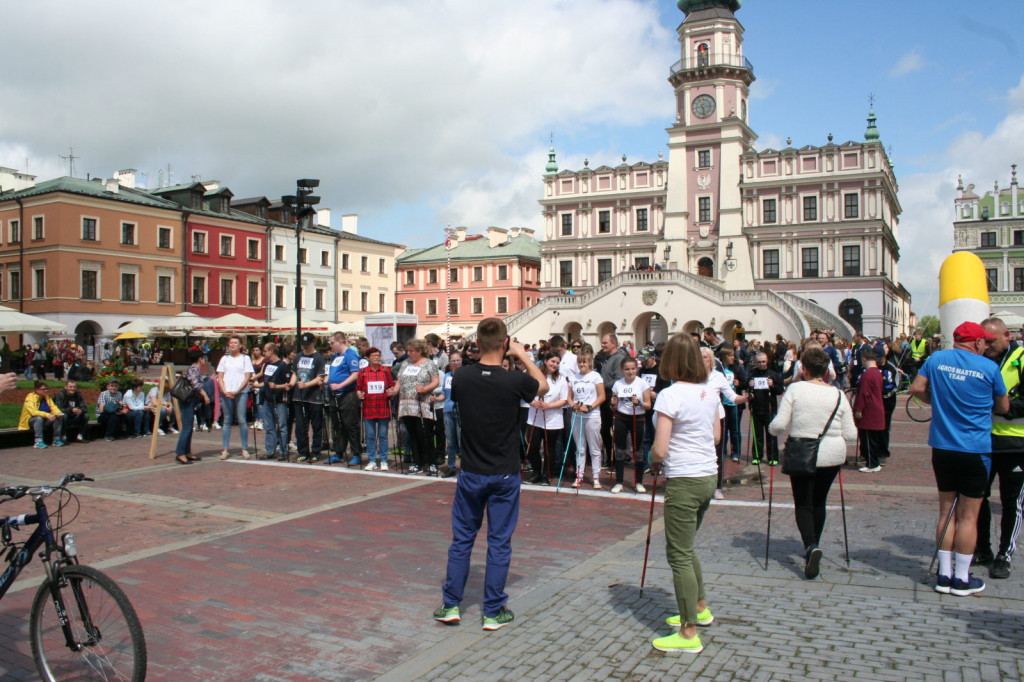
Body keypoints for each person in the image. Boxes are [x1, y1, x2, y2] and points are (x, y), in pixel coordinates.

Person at [434, 317, 546, 630]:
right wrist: (522, 355)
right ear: (504, 343)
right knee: (499, 541)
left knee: (462, 539)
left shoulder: (462, 377)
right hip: (504, 471)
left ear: (478, 344)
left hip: (471, 469)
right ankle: (493, 610)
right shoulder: (513, 381)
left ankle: (451, 604)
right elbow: (544, 385)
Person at [911, 321, 1009, 597]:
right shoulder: (989, 367)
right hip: (975, 448)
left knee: (946, 511)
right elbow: (1003, 406)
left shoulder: (937, 358)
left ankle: (944, 574)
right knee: (968, 516)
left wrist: (939, 401)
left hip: (942, 446)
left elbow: (917, 389)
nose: (987, 346)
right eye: (985, 342)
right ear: (976, 343)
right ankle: (962, 578)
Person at [649, 333, 720, 654]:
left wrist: (651, 461)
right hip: (708, 473)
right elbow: (717, 435)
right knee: (687, 546)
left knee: (677, 554)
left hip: (685, 477)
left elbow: (661, 448)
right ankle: (700, 606)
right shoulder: (709, 391)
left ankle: (689, 629)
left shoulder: (670, 395)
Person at [769, 347, 857, 578]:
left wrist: (772, 428)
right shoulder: (838, 394)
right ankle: (814, 544)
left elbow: (778, 425)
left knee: (803, 502)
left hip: (802, 451)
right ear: (827, 370)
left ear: (803, 368)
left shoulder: (796, 389)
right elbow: (851, 435)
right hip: (832, 454)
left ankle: (810, 546)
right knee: (819, 501)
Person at [976, 317, 1024, 579]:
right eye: (983, 341)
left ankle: (1004, 555)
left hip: (1017, 443)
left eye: (992, 341)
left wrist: (1003, 408)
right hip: (984, 441)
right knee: (977, 497)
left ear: (1007, 335)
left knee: (1011, 503)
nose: (988, 345)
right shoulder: (981, 360)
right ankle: (982, 548)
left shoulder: (1021, 359)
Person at [524, 352, 568, 486]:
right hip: (535, 418)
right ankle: (536, 473)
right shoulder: (534, 375)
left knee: (550, 449)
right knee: (532, 447)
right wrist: (532, 402)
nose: (555, 365)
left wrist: (549, 405)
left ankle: (546, 475)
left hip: (553, 420)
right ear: (545, 361)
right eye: (552, 361)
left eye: (557, 363)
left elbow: (564, 400)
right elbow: (524, 392)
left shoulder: (561, 379)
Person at [610, 356, 652, 494]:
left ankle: (639, 481)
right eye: (627, 369)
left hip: (637, 417)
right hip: (622, 417)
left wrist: (639, 403)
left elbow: (648, 405)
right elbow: (613, 403)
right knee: (620, 449)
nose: (630, 372)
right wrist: (613, 403)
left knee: (638, 450)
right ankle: (619, 481)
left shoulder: (642, 384)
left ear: (637, 369)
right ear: (623, 370)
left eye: (633, 369)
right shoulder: (618, 384)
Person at [398, 339, 440, 474]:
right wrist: (393, 390)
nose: (408, 353)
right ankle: (417, 461)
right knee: (412, 435)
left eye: (411, 351)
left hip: (422, 403)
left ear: (419, 351)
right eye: (408, 351)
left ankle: (432, 462)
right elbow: (399, 380)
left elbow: (436, 381)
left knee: (425, 434)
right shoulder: (405, 363)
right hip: (406, 404)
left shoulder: (428, 364)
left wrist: (425, 388)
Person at [571, 350, 606, 489]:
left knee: (594, 448)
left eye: (584, 361)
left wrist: (590, 407)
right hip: (577, 415)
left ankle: (596, 477)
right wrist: (573, 405)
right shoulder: (573, 377)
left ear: (590, 362)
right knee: (580, 448)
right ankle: (579, 475)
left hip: (592, 415)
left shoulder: (595, 376)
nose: (581, 364)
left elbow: (602, 397)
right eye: (579, 361)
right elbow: (569, 397)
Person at [356, 346, 395, 471]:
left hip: (383, 407)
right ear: (368, 358)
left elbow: (391, 385)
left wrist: (391, 391)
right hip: (368, 407)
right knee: (370, 436)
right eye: (373, 356)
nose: (376, 358)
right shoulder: (363, 372)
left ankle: (383, 460)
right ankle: (372, 460)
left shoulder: (385, 371)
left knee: (383, 435)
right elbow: (358, 388)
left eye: (378, 355)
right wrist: (359, 394)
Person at [327, 332, 362, 466]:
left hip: (347, 394)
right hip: (334, 395)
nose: (331, 346)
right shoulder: (335, 356)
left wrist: (340, 385)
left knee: (350, 425)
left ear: (340, 341)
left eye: (332, 343)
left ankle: (356, 453)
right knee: (338, 425)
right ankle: (339, 452)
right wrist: (324, 380)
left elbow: (355, 374)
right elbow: (332, 373)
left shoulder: (350, 354)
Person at [291, 333, 326, 464]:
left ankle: (315, 451)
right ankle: (303, 451)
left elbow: (320, 377)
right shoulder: (298, 357)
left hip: (314, 397)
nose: (305, 347)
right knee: (300, 426)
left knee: (316, 425)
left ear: (313, 343)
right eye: (303, 345)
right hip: (299, 397)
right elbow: (295, 373)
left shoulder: (318, 358)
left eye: (307, 344)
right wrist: (291, 383)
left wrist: (306, 384)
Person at [216, 335, 254, 460]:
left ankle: (244, 448)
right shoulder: (224, 359)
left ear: (240, 345)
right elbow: (220, 376)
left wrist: (237, 390)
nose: (232, 345)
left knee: (242, 420)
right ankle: (225, 449)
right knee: (227, 420)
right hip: (226, 392)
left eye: (235, 343)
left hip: (241, 392)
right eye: (230, 343)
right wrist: (224, 390)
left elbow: (247, 376)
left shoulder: (245, 358)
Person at [175, 350, 210, 465]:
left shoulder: (194, 369)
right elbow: (196, 385)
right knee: (186, 427)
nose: (204, 360)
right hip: (188, 400)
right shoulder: (193, 369)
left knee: (189, 427)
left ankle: (187, 451)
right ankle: (180, 453)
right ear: (199, 358)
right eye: (203, 357)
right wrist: (205, 395)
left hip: (191, 400)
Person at [259, 343, 292, 462]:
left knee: (282, 426)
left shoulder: (283, 365)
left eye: (265, 351)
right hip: (268, 399)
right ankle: (270, 450)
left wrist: (277, 386)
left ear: (272, 351)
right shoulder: (267, 364)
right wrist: (256, 385)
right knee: (269, 427)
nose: (264, 353)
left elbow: (288, 384)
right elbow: (265, 381)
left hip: (279, 400)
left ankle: (283, 451)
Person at [747, 352, 782, 465]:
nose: (761, 364)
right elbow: (747, 389)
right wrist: (749, 386)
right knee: (757, 435)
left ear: (767, 361)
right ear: (756, 363)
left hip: (769, 409)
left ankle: (772, 457)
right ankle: (757, 456)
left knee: (771, 434)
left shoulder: (773, 374)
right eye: (759, 362)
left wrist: (772, 385)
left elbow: (780, 390)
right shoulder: (752, 374)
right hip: (756, 408)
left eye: (763, 362)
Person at [853, 348, 885, 473]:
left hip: (869, 410)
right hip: (877, 408)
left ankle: (872, 463)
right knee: (873, 439)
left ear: (864, 359)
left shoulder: (867, 374)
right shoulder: (877, 372)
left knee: (867, 439)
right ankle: (873, 462)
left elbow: (863, 394)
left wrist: (859, 409)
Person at [19, 380, 66, 448]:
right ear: (37, 390)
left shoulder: (47, 397)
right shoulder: (30, 398)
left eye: (47, 389)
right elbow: (33, 412)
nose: (46, 390)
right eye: (44, 389)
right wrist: (47, 415)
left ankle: (56, 439)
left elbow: (53, 407)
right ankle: (38, 441)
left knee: (58, 417)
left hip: (45, 420)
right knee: (38, 419)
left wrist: (59, 413)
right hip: (30, 420)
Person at [439, 351, 462, 477]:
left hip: (460, 411)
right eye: (453, 361)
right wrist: (436, 398)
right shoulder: (447, 376)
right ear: (449, 363)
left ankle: (465, 467)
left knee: (461, 439)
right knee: (451, 441)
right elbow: (443, 394)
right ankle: (451, 466)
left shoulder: (465, 375)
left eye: (458, 360)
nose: (456, 363)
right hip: (448, 410)